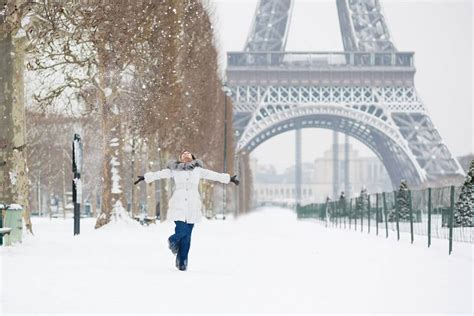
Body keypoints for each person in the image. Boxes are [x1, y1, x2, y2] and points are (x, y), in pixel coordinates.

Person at [134, 149, 239, 271]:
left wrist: (229, 179)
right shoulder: (174, 170)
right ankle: (172, 240)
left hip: (193, 205)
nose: (185, 155)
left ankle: (182, 262)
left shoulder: (198, 170)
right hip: (178, 204)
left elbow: (214, 175)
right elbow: (160, 174)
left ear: (193, 158)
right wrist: (145, 177)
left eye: (188, 153)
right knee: (182, 230)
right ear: (180, 158)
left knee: (187, 237)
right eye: (183, 154)